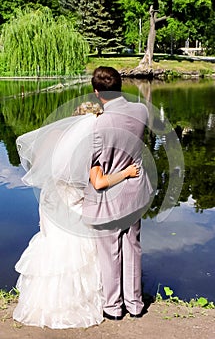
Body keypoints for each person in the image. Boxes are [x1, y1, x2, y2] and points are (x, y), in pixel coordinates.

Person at [13, 107, 140, 329]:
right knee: (77, 249)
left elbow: (41, 165)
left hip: (51, 202)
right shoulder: (90, 147)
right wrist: (126, 173)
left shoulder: (57, 137)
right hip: (73, 205)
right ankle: (76, 302)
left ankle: (43, 302)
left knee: (53, 246)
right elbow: (99, 182)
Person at [82, 66, 153, 320]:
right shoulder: (142, 110)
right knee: (132, 246)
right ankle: (135, 304)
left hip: (111, 195)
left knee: (110, 250)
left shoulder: (100, 124)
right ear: (121, 86)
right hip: (135, 191)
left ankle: (113, 307)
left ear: (97, 93)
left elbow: (91, 161)